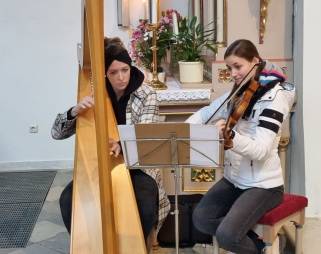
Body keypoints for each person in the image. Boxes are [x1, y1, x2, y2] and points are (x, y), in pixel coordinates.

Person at [51, 37, 170, 242]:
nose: (121, 77)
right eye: (113, 72)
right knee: (68, 200)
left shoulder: (147, 93)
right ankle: (90, 243)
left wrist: (122, 147)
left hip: (136, 167)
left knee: (144, 203)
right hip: (101, 164)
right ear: (105, 73)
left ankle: (136, 244)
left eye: (125, 70)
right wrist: (75, 111)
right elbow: (56, 133)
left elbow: (146, 135)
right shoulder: (94, 91)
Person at [188, 39, 295, 254]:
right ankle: (257, 245)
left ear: (255, 62)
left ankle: (256, 246)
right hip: (235, 179)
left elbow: (262, 149)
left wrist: (230, 136)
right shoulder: (239, 92)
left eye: (238, 66)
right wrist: (185, 130)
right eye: (229, 68)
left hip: (264, 185)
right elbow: (206, 113)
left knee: (227, 235)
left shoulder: (276, 96)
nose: (233, 73)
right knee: (201, 218)